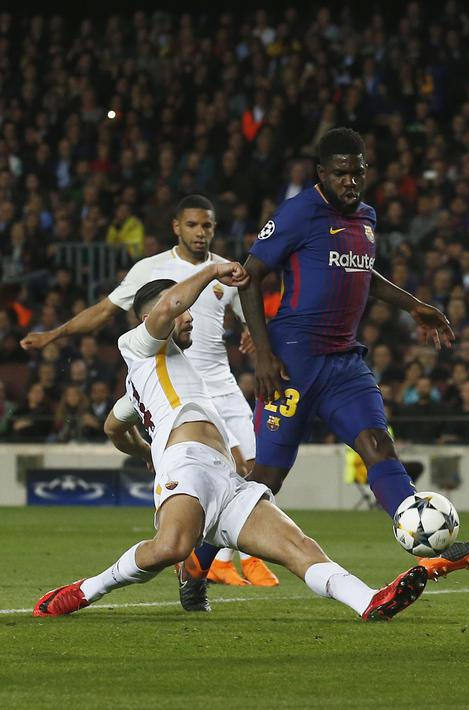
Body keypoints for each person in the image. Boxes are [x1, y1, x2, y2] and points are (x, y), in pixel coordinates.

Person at [34, 266, 429, 621]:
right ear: (147, 320)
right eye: (183, 312)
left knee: (297, 544)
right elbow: (169, 306)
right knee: (171, 547)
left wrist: (145, 451)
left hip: (225, 480)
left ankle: (368, 599)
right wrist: (212, 271)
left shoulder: (146, 382)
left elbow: (112, 428)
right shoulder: (136, 345)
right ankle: (85, 590)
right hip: (186, 466)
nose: (189, 317)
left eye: (189, 311)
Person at [212, 127, 469, 588]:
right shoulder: (298, 213)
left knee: (378, 445)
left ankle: (429, 546)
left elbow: (362, 271)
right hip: (292, 364)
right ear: (321, 173)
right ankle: (198, 559)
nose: (350, 181)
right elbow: (250, 275)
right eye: (341, 173)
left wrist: (413, 305)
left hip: (344, 362)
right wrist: (263, 353)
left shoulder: (365, 217)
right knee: (266, 480)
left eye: (357, 173)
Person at [21, 194, 281, 588]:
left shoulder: (228, 272)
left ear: (214, 228)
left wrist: (255, 336)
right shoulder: (150, 269)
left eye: (207, 225)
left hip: (222, 385)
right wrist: (54, 334)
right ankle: (223, 561)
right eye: (192, 225)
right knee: (235, 469)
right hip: (176, 389)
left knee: (255, 470)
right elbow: (105, 310)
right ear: (177, 227)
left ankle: (219, 559)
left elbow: (253, 317)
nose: (200, 232)